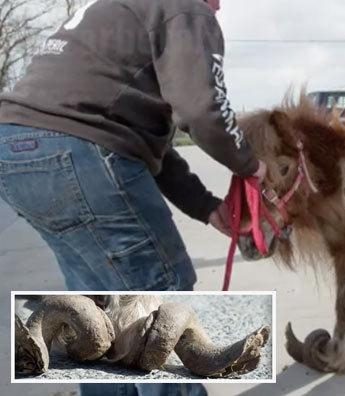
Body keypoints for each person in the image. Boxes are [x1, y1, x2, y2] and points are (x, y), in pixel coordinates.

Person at [0, 0, 259, 393]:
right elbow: (205, 110)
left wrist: (208, 209)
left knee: (97, 307)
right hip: (79, 151)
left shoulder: (122, 13)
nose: (219, 5)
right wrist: (251, 165)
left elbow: (151, 147)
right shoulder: (185, 8)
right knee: (160, 306)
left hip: (16, 150)